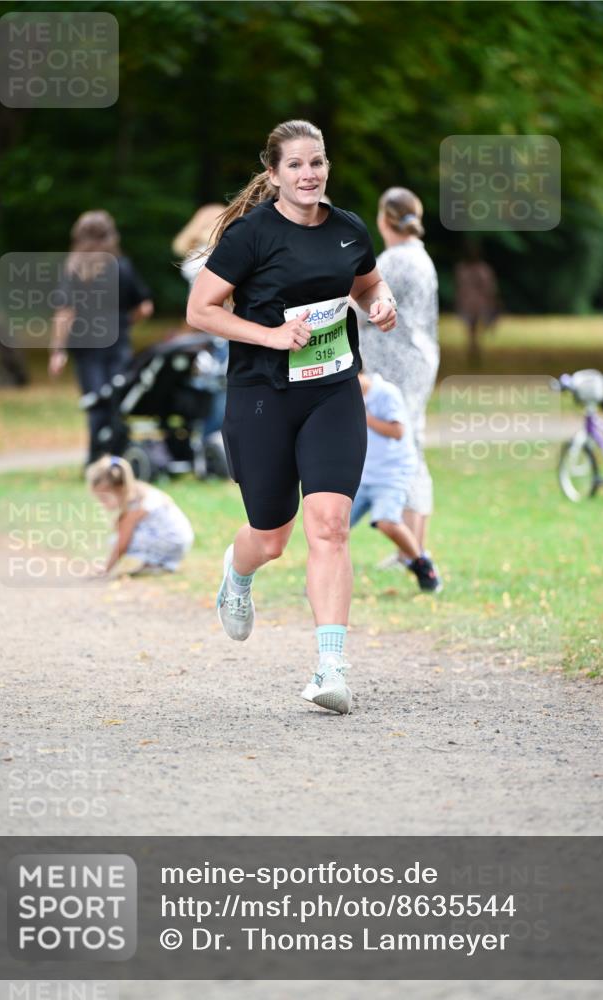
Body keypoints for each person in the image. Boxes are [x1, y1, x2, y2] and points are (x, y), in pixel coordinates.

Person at [187, 119, 397, 715]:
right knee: (272, 535)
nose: (310, 175)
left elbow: (370, 285)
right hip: (262, 395)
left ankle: (331, 667)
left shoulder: (349, 229)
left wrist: (381, 306)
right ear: (275, 173)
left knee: (329, 524)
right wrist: (271, 337)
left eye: (318, 163)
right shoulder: (252, 236)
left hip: (333, 389)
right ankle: (238, 569)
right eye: (297, 165)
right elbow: (200, 310)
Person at [357, 187, 442, 588]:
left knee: (408, 449)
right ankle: (412, 547)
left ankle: (415, 552)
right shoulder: (420, 257)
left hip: (398, 366)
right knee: (414, 446)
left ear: (383, 219)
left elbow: (360, 306)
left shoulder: (393, 261)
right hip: (419, 359)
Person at [48, 211, 154, 463]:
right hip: (118, 343)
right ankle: (119, 455)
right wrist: (126, 322)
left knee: (94, 400)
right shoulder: (122, 266)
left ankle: (96, 457)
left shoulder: (74, 269)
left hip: (85, 346)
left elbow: (65, 313)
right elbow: (145, 307)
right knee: (118, 399)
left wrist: (58, 350)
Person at [350, 371, 441, 592]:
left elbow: (398, 431)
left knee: (386, 522)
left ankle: (421, 562)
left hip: (391, 473)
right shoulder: (345, 395)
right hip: (361, 473)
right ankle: (323, 582)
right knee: (332, 526)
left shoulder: (386, 392)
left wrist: (365, 417)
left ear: (359, 372)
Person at [173, 204, 229, 439]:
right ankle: (212, 439)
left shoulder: (196, 259)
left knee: (209, 386)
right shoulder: (220, 256)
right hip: (218, 333)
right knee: (219, 387)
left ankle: (208, 438)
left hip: (207, 334)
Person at [87, 455, 194, 576]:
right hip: (181, 539)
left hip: (173, 541)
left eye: (104, 498)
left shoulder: (135, 505)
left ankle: (156, 564)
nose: (102, 503)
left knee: (116, 539)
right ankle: (156, 563)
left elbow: (122, 544)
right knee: (121, 534)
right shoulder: (140, 490)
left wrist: (106, 569)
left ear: (119, 488)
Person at [454, 241, 499, 365]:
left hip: (475, 303)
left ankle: (474, 349)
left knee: (473, 329)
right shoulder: (476, 269)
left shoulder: (475, 269)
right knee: (472, 329)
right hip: (473, 303)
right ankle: (474, 349)